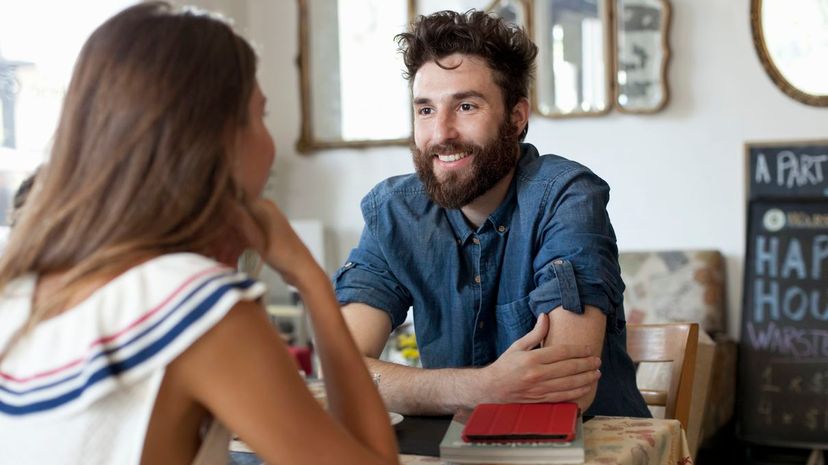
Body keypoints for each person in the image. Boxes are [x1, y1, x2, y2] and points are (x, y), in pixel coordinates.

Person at [0, 3, 399, 465]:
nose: (269, 145)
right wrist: (310, 280)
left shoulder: (20, 289)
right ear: (217, 139)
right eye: (261, 116)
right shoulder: (196, 303)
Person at [335, 10, 650, 418]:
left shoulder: (565, 197)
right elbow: (341, 373)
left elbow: (564, 395)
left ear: (516, 117)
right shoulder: (394, 212)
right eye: (425, 110)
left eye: (466, 106)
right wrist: (483, 386)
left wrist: (417, 388)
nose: (441, 133)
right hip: (456, 452)